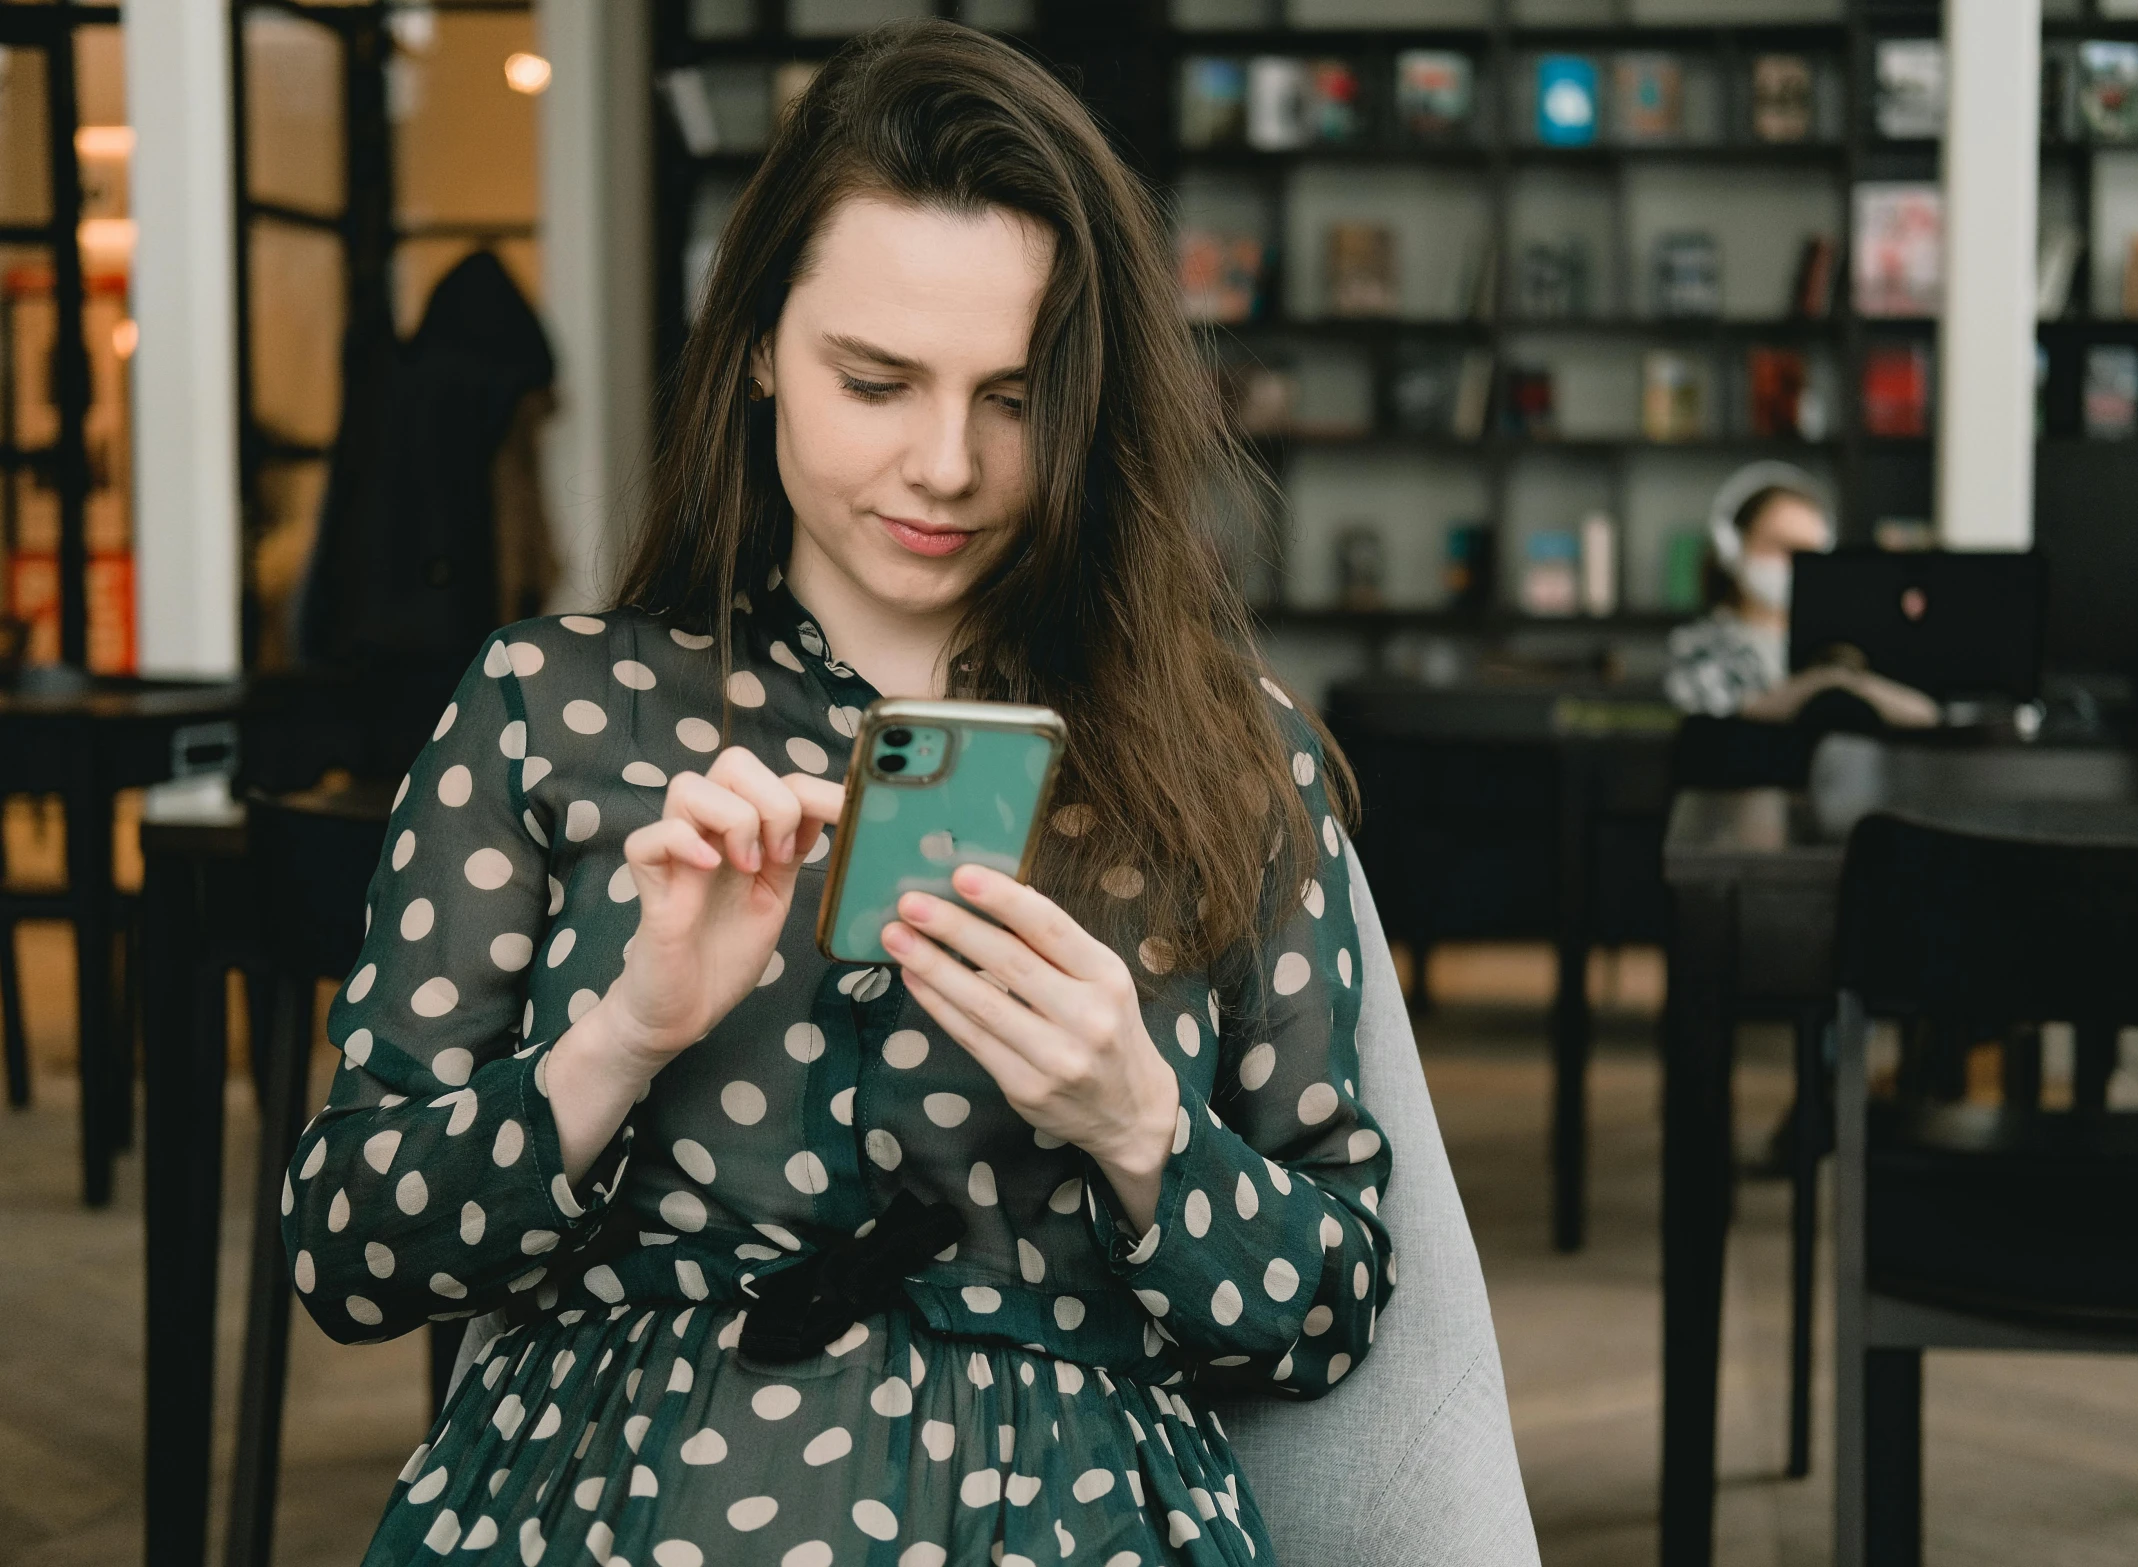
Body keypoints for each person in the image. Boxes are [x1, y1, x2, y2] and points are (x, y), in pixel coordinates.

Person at [282, 23, 1391, 1567]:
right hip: (607, 1499)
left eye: (1014, 396)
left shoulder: (1226, 748)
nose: (945, 462)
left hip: (1066, 1508)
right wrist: (622, 1035)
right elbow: (349, 1257)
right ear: (754, 346)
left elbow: (1329, 1307)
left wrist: (1141, 1125)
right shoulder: (547, 707)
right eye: (875, 380)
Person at [1664, 463, 1938, 728]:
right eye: (1780, 546)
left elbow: (1925, 715)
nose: (1795, 563)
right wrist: (1825, 683)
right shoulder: (1695, 646)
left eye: (1809, 552)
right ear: (1732, 546)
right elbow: (1718, 724)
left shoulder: (1846, 642)